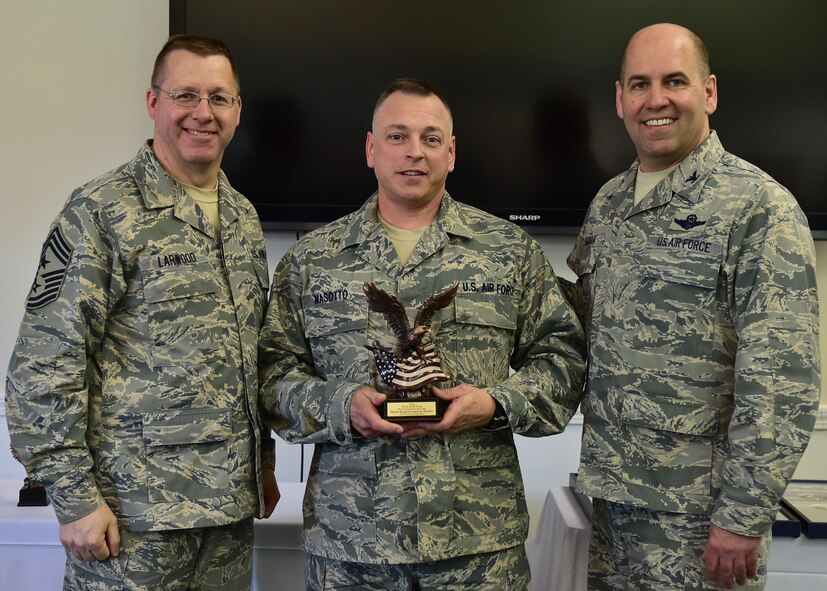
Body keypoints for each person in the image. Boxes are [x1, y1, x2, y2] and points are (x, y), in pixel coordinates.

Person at [259, 78, 586, 590]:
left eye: (431, 138)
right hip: (353, 546)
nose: (415, 151)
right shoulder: (312, 262)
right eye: (398, 136)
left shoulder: (509, 252)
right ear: (371, 149)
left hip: (477, 548)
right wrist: (342, 406)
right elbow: (271, 377)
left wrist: (495, 404)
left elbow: (563, 360)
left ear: (450, 153)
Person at [5, 35, 279, 590]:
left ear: (237, 110)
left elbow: (247, 359)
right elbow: (42, 367)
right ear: (154, 102)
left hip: (227, 517)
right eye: (185, 95)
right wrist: (74, 499)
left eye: (219, 97)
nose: (203, 112)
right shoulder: (100, 211)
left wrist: (263, 464)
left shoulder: (243, 218)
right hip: (131, 522)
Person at [564, 23, 821, 591]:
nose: (656, 99)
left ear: (708, 92)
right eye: (640, 84)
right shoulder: (608, 203)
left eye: (674, 81)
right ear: (620, 99)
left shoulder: (759, 208)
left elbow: (781, 381)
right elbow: (585, 327)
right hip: (612, 504)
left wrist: (743, 516)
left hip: (700, 523)